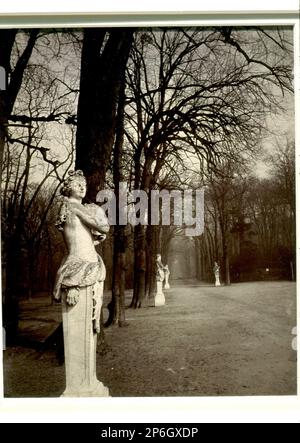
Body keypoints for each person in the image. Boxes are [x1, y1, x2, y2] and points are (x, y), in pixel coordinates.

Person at [53, 170, 110, 397]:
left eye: (84, 184)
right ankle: (81, 386)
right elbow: (103, 227)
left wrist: (95, 235)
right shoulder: (73, 206)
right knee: (82, 330)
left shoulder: (74, 208)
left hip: (87, 265)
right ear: (68, 187)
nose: (82, 187)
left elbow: (88, 234)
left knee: (89, 327)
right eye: (77, 184)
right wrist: (98, 220)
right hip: (78, 268)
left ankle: (89, 381)